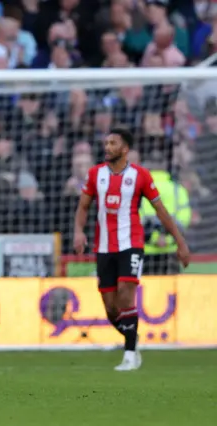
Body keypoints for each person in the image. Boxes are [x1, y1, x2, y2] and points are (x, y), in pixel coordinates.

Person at [73, 128, 190, 372]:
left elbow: (161, 211)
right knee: (110, 306)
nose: (107, 147)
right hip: (103, 246)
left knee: (126, 293)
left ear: (125, 149)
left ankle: (129, 354)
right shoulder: (95, 174)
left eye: (113, 143)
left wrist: (180, 242)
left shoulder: (141, 176)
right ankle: (132, 337)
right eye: (106, 142)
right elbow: (83, 206)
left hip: (131, 243)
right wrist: (78, 231)